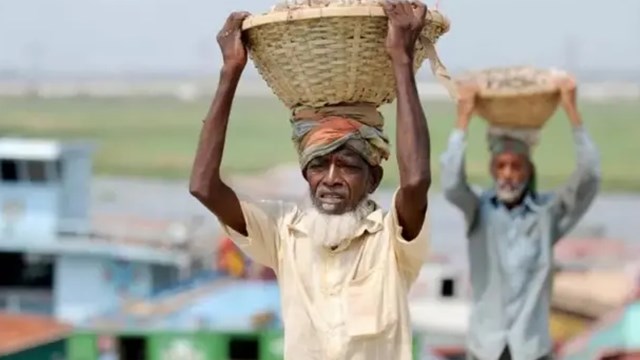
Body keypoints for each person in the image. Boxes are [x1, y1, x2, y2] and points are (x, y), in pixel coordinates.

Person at [189, 1, 432, 359]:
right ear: (305, 172)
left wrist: (401, 58)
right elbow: (203, 187)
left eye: (348, 166)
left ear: (373, 178)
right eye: (319, 164)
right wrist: (230, 72)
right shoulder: (285, 236)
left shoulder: (391, 240)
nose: (330, 179)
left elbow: (415, 182)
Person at [440, 76, 601, 360]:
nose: (508, 174)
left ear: (528, 171)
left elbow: (589, 178)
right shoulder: (478, 211)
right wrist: (462, 118)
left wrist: (571, 112)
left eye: (516, 166)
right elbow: (452, 184)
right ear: (492, 170)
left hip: (531, 349)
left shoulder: (547, 215)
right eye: (501, 166)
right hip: (485, 348)